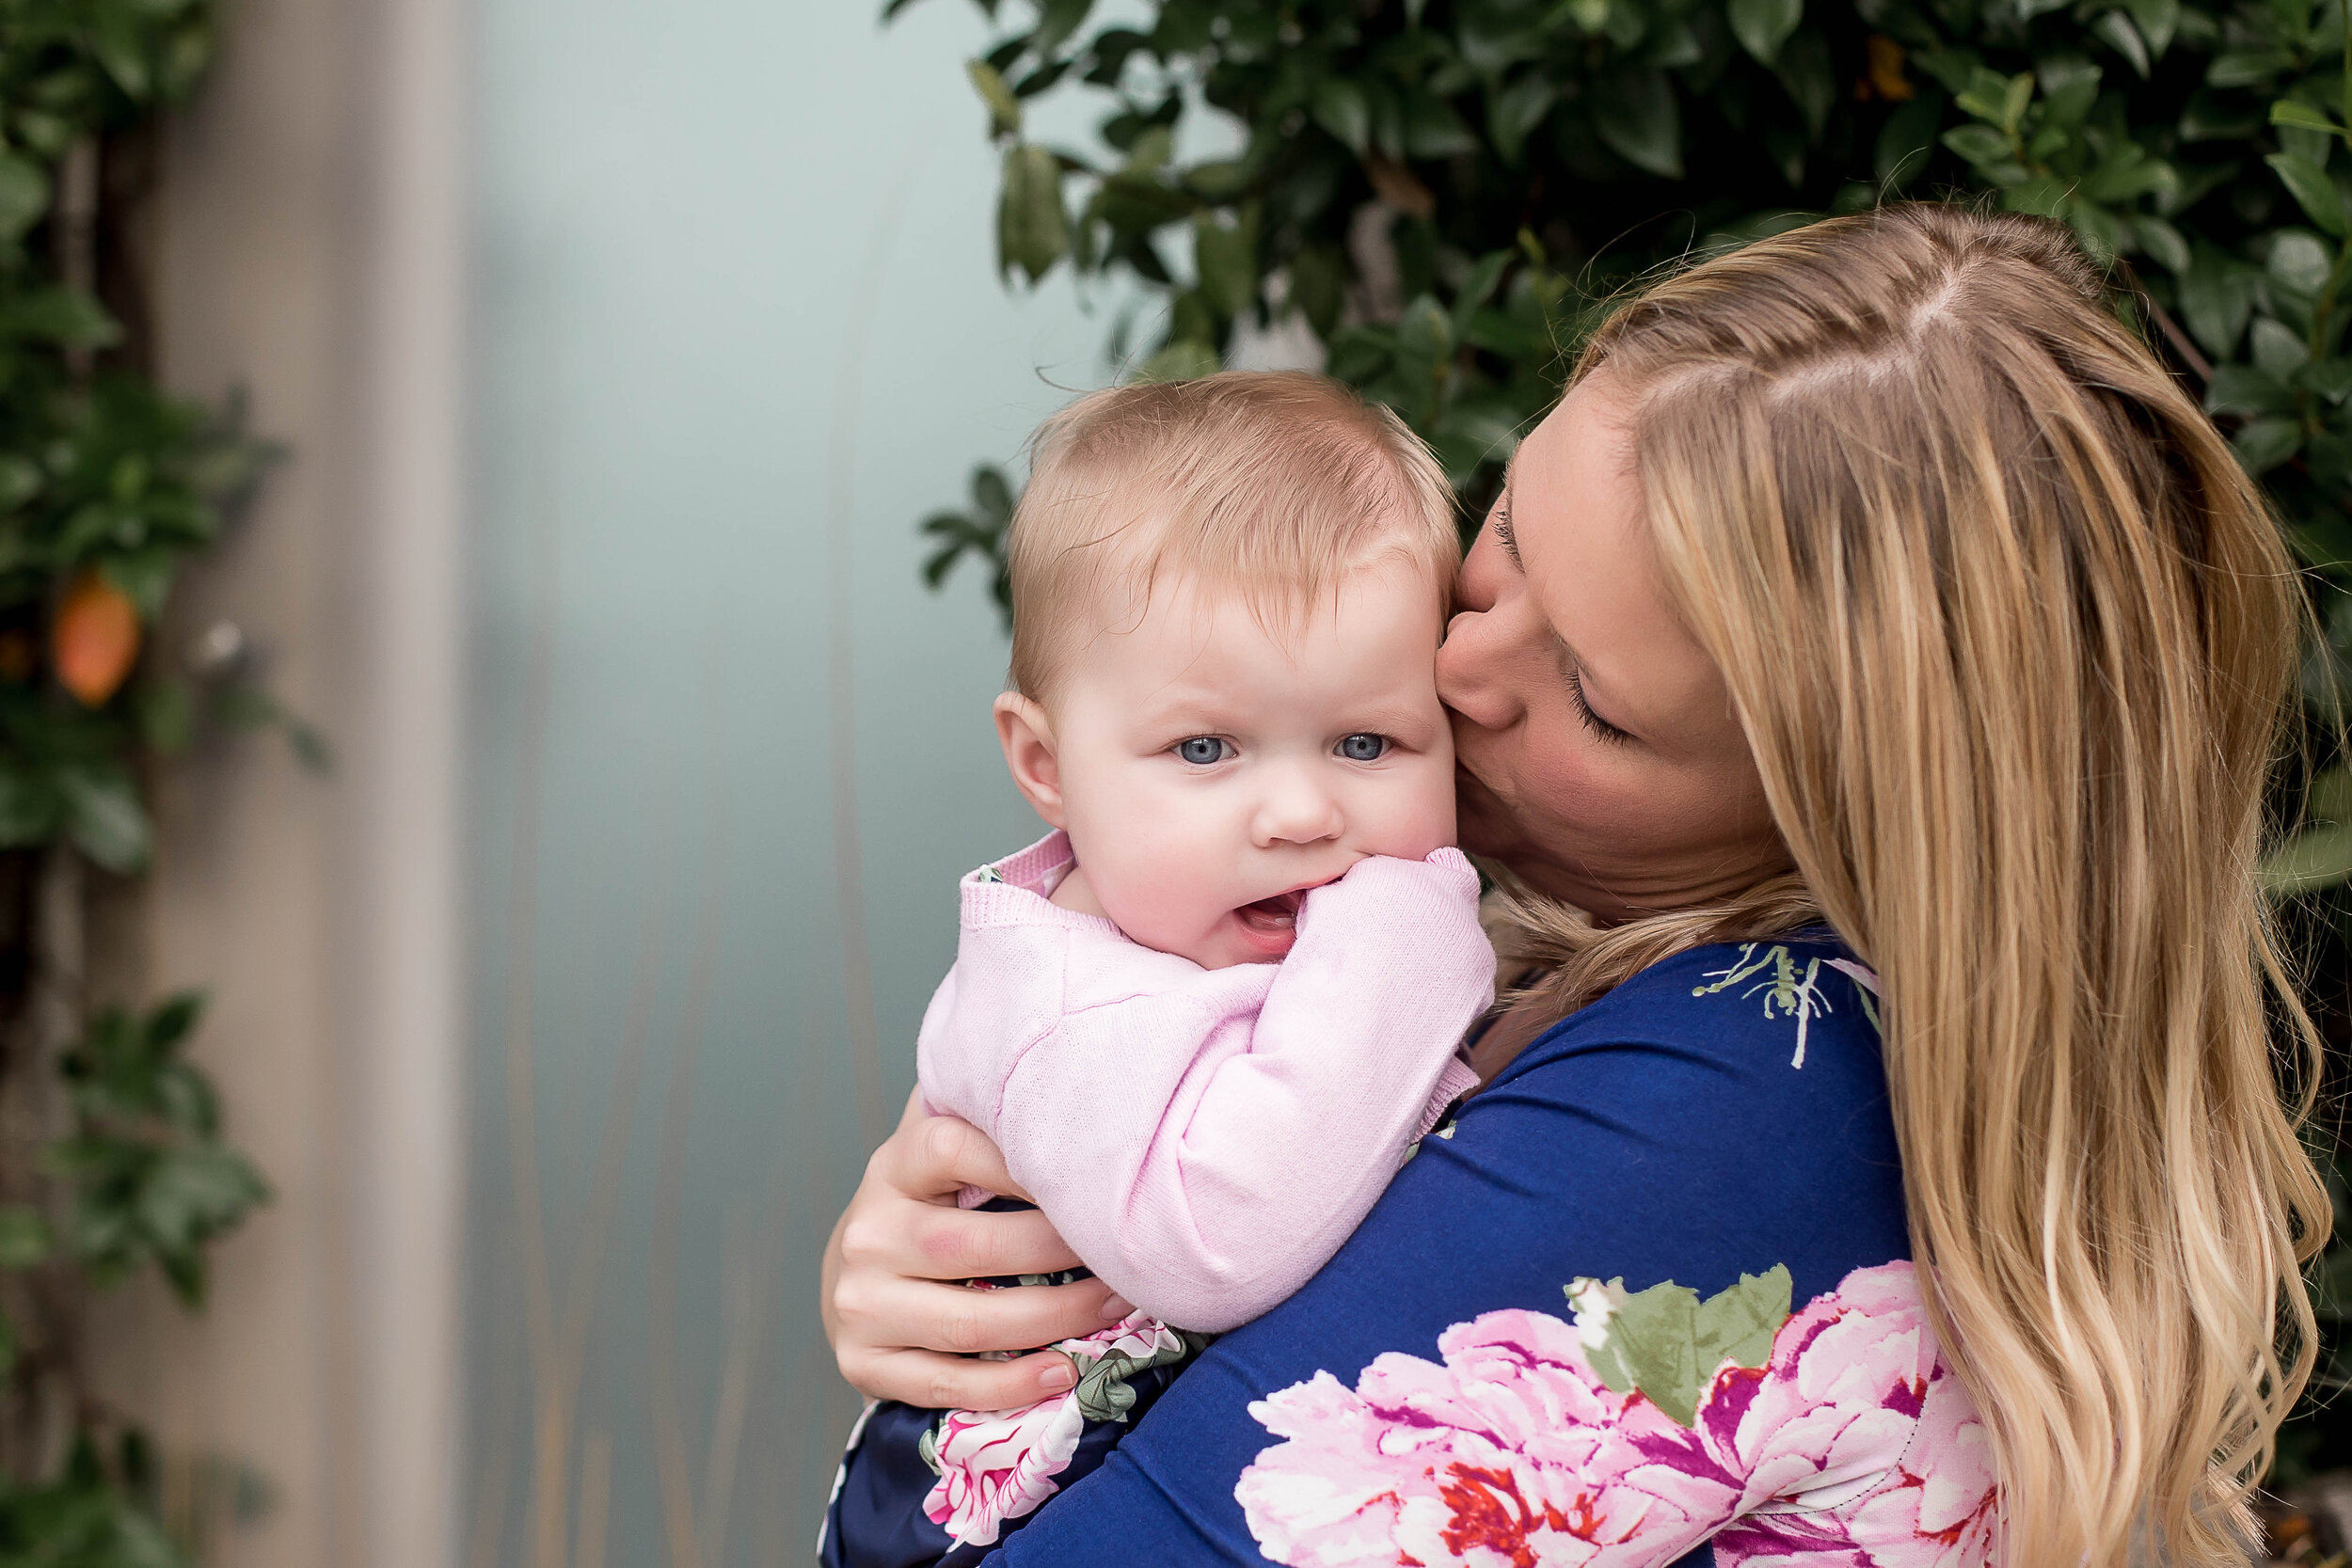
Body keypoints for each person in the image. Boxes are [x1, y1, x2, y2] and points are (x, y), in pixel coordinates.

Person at [822, 204, 2330, 1567]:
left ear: (1841, 811)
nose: (1457, 668)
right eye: (1501, 545)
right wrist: (965, 1229)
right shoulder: (1585, 947)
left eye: (1598, 702)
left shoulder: (1740, 1093)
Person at [820, 373, 1499, 1568]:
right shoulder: (1068, 1002)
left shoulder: (1207, 930)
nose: (1298, 810)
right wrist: (1413, 935)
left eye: (1365, 741)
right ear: (1046, 761)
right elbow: (1217, 1236)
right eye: (1203, 747)